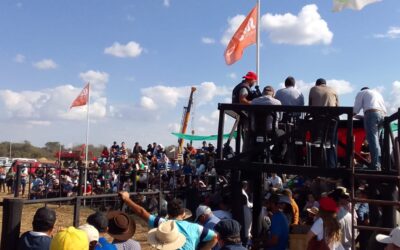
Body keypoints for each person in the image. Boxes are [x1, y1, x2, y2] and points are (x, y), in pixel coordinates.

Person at [119, 191, 218, 250]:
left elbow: (141, 212)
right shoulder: (197, 228)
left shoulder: (162, 224)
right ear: (184, 214)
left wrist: (126, 199)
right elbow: (215, 237)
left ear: (169, 214)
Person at [353, 87, 387, 170]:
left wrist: (351, 114)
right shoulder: (377, 93)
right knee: (377, 141)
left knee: (372, 140)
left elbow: (356, 109)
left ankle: (375, 166)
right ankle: (380, 164)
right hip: (383, 116)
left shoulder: (361, 92)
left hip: (372, 114)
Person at [308, 78, 339, 168]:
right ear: (325, 84)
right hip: (332, 121)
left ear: (317, 84)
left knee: (316, 143)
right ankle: (332, 166)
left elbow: (310, 106)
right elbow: (338, 107)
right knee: (332, 143)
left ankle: (316, 166)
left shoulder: (313, 89)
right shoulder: (333, 90)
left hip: (318, 121)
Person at [252, 86, 287, 163]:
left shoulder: (254, 101)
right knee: (284, 137)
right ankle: (277, 158)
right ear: (273, 93)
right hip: (271, 130)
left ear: (262, 93)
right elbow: (280, 118)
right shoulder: (277, 102)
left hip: (257, 130)